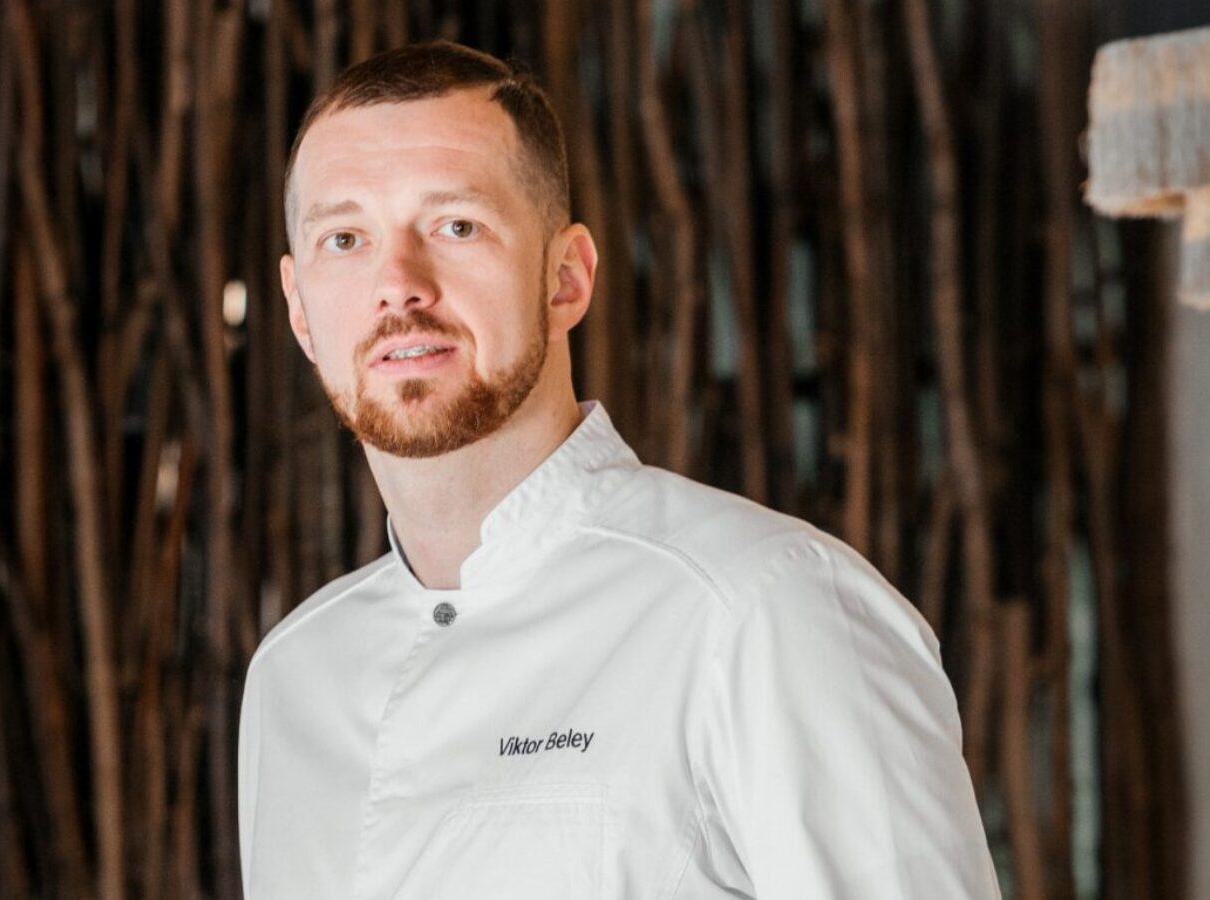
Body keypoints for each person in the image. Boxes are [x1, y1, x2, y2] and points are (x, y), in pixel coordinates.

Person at [237, 40, 1000, 900]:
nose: (398, 285)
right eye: (346, 238)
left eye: (456, 226)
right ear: (300, 310)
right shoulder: (292, 677)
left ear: (566, 279)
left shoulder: (763, 608)